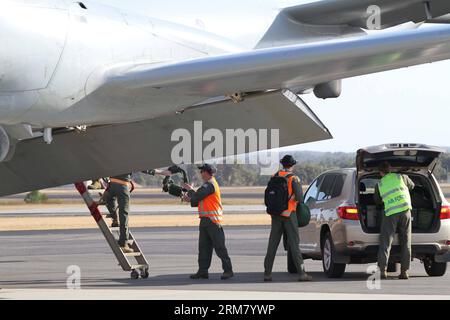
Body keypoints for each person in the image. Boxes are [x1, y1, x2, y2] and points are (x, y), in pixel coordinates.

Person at [264, 155, 312, 282]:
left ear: (283, 164)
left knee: (272, 244)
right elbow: (300, 199)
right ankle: (302, 273)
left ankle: (267, 273)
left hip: (275, 214)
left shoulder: (274, 176)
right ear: (292, 165)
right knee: (294, 244)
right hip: (289, 214)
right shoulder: (293, 178)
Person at [182, 164, 234, 280]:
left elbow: (198, 195)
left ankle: (228, 270)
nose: (200, 173)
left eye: (202, 171)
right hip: (205, 220)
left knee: (219, 247)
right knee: (203, 247)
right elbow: (198, 200)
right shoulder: (207, 185)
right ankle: (203, 271)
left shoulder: (209, 184)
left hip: (212, 221)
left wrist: (190, 190)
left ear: (207, 172)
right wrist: (190, 199)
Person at [374, 161, 415, 280]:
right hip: (405, 211)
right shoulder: (401, 177)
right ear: (390, 169)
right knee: (406, 242)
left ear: (380, 172)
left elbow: (377, 201)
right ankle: (404, 272)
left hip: (391, 213)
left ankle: (383, 271)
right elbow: (412, 186)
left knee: (386, 242)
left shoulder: (379, 184)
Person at [104, 173, 134, 253]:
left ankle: (115, 219)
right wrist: (157, 172)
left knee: (109, 199)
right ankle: (123, 243)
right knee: (124, 214)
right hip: (123, 185)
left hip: (112, 185)